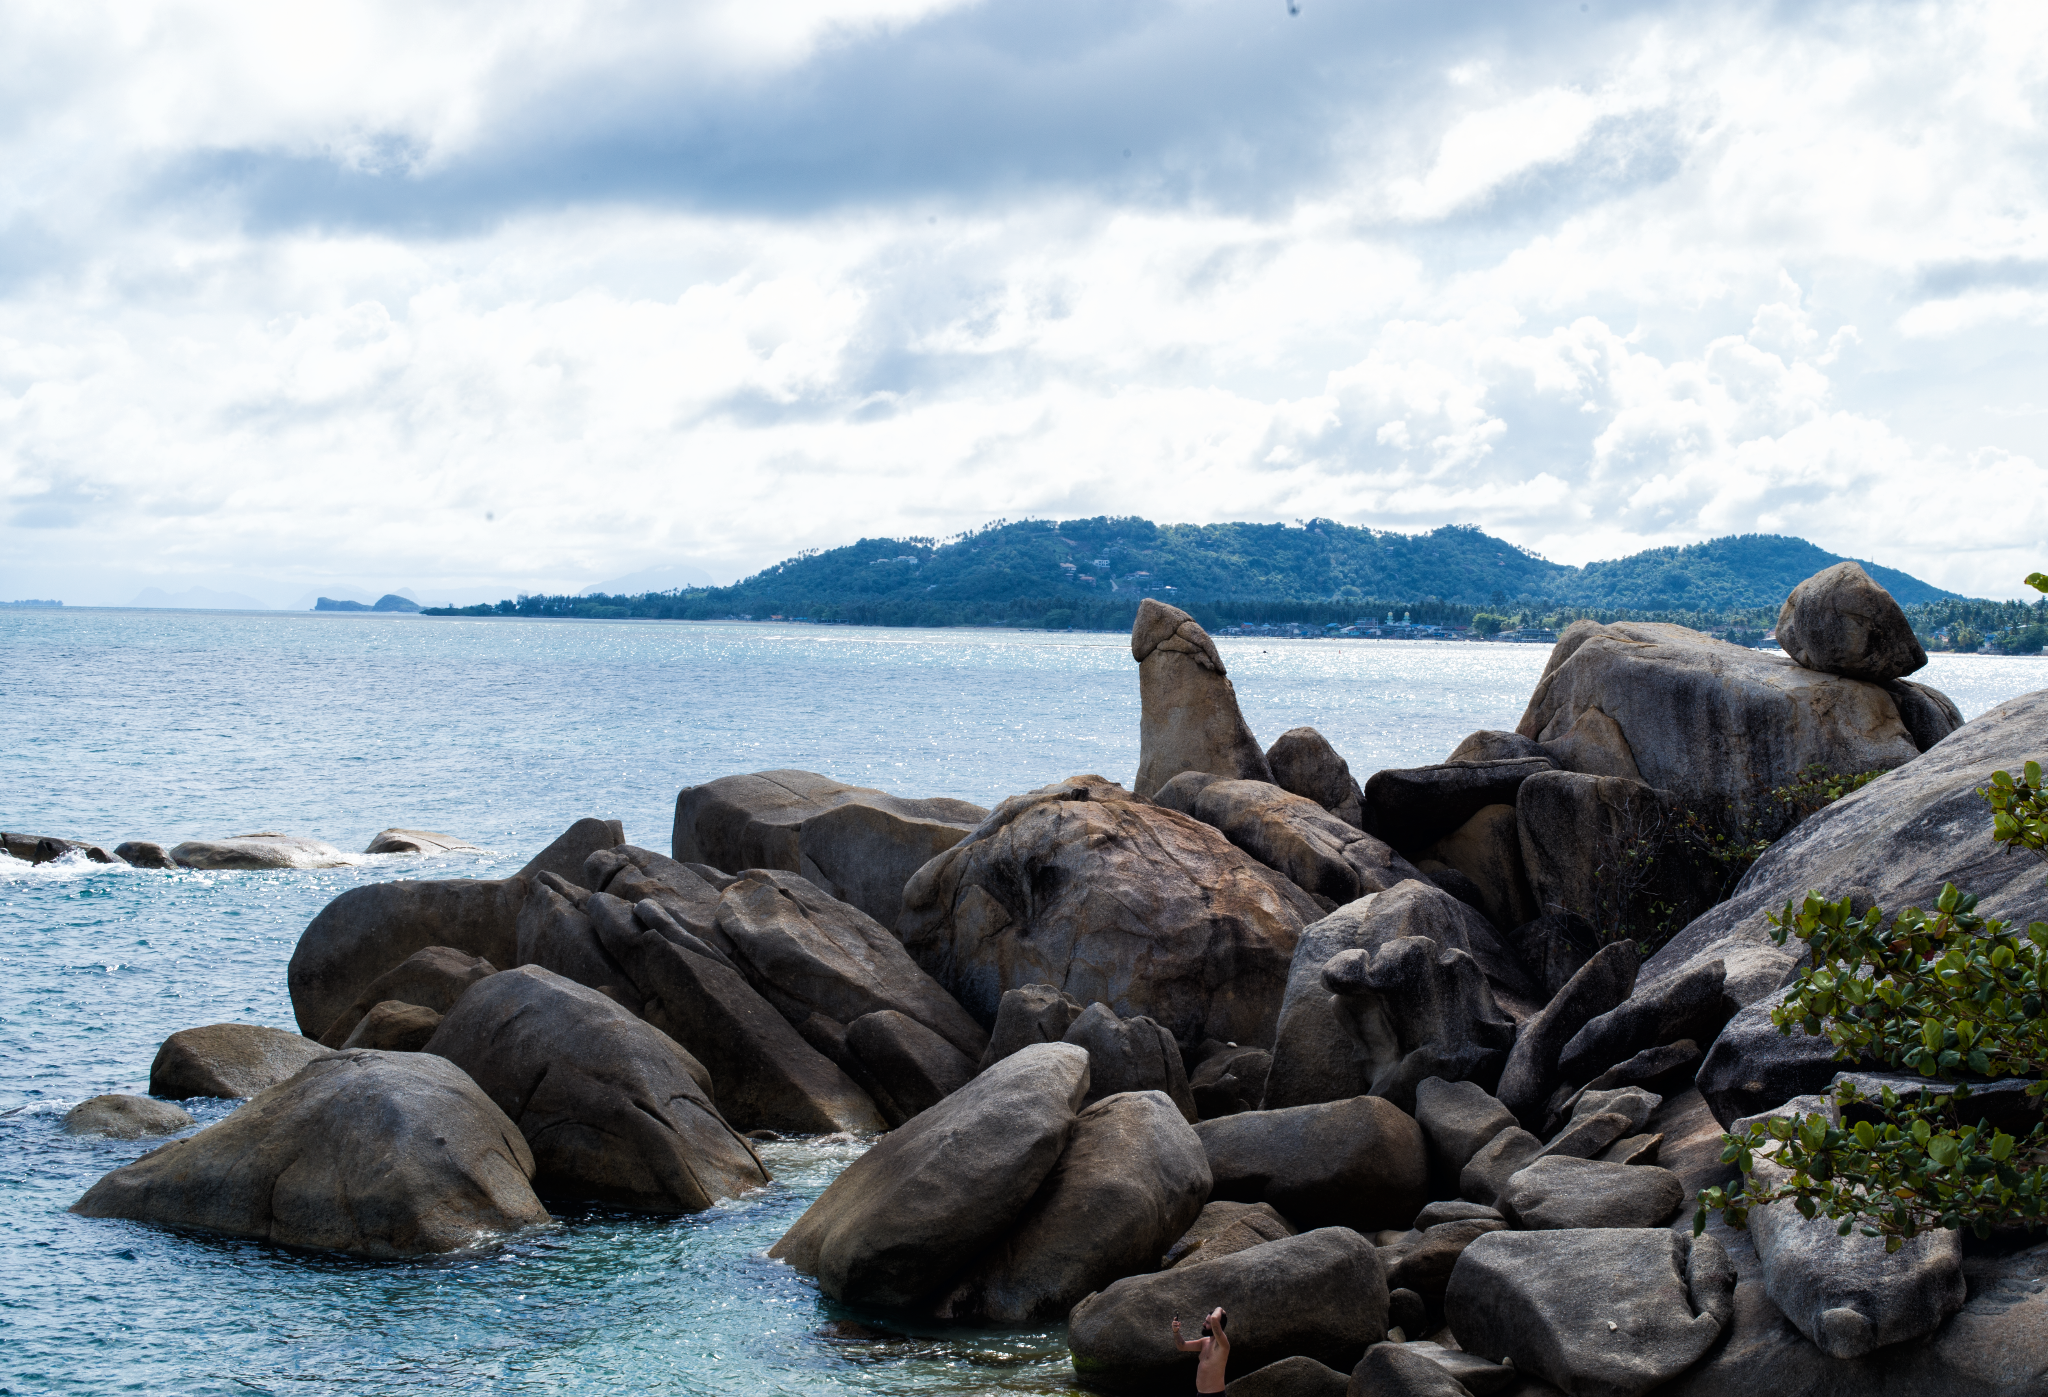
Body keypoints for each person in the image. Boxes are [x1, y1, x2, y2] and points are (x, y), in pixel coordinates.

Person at [1171, 1307, 1229, 1393]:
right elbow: (1182, 1346)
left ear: (1217, 1325)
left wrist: (1219, 1308)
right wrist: (1176, 1332)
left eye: (1207, 1323)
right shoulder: (1204, 1342)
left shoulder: (1222, 1344)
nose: (1203, 1324)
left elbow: (1214, 1319)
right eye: (1205, 1321)